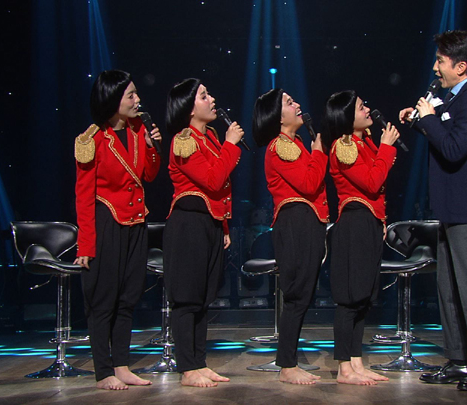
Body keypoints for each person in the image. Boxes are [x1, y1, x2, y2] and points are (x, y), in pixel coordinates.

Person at [398, 30, 467, 391]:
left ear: (460, 66)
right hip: (451, 209)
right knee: (449, 288)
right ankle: (459, 360)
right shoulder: (455, 98)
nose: (435, 67)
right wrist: (421, 119)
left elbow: (455, 149)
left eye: (440, 61)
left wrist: (429, 118)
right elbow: (446, 134)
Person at [74, 69, 161, 390]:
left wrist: (151, 147)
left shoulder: (139, 131)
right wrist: (86, 245)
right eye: (131, 95)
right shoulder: (92, 139)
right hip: (106, 221)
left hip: (136, 221)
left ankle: (122, 365)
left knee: (128, 295)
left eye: (136, 94)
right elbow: (84, 195)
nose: (138, 100)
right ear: (112, 100)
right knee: (103, 299)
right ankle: (103, 371)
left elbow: (149, 175)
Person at [164, 78, 244, 387]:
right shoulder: (184, 140)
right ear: (188, 107)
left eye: (208, 94)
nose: (212, 100)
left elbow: (219, 191)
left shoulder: (209, 137)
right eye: (203, 96)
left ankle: (199, 362)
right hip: (188, 225)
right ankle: (188, 368)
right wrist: (231, 144)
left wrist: (223, 225)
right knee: (187, 298)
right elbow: (213, 179)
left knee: (203, 298)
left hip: (209, 223)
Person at [252, 89, 329, 384]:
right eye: (288, 102)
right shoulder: (281, 146)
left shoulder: (294, 144)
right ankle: (287, 365)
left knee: (302, 294)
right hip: (296, 220)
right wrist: (319, 152)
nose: (297, 104)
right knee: (296, 295)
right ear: (278, 117)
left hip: (305, 220)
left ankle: (289, 362)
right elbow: (309, 183)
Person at [322, 91, 399, 385]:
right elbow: (372, 182)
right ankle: (344, 368)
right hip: (354, 223)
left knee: (364, 298)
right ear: (345, 116)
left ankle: (356, 361)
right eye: (360, 107)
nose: (368, 110)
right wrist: (387, 148)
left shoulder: (363, 143)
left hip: (368, 222)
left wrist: (381, 219)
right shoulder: (344, 146)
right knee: (350, 298)